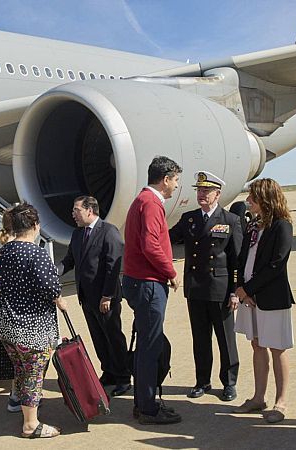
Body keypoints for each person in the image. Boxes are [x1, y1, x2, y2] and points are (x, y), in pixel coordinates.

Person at [0, 203, 66, 438]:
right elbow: (51, 287)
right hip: (33, 329)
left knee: (21, 369)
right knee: (33, 373)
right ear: (34, 226)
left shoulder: (2, 252)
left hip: (6, 325)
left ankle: (19, 403)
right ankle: (30, 424)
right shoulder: (36, 253)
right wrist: (60, 300)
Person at [168, 171, 242, 402]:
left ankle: (229, 383)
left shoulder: (230, 220)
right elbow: (167, 238)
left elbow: (236, 259)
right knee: (200, 338)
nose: (201, 194)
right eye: (199, 190)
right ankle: (202, 381)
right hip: (196, 288)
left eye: (206, 191)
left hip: (220, 289)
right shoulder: (189, 219)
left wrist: (235, 291)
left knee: (225, 339)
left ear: (217, 194)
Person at [122, 156, 182, 425]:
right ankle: (147, 407)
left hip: (141, 282)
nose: (176, 185)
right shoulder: (151, 203)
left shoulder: (143, 202)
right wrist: (170, 271)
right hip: (148, 284)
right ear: (165, 179)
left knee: (148, 343)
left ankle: (143, 403)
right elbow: (150, 245)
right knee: (149, 346)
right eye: (176, 180)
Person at [233, 178, 294, 424]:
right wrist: (240, 289)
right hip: (249, 297)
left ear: (266, 199)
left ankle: (281, 402)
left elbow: (277, 264)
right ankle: (259, 397)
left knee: (276, 348)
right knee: (257, 345)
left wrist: (248, 289)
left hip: (270, 297)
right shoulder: (254, 225)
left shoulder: (282, 225)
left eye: (253, 198)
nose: (248, 201)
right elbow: (242, 259)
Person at [58, 195, 130, 397]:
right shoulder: (77, 234)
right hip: (86, 297)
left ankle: (123, 377)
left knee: (113, 336)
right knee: (98, 337)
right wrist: (50, 272)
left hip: (105, 298)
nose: (73, 214)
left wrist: (107, 296)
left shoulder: (109, 232)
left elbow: (112, 266)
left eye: (77, 210)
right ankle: (108, 371)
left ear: (90, 211)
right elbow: (69, 261)